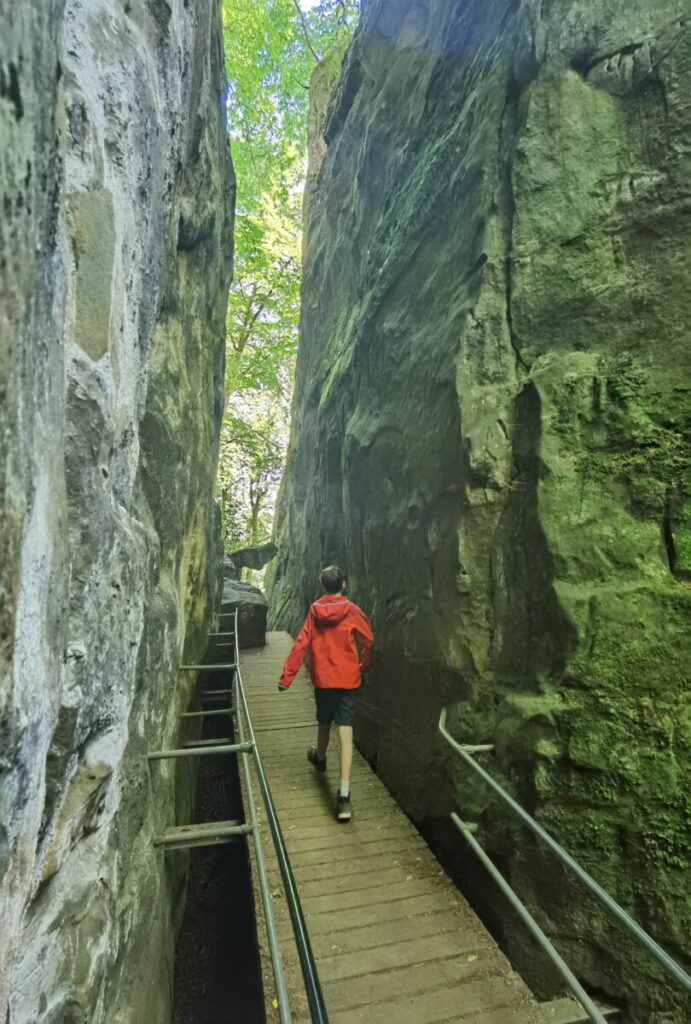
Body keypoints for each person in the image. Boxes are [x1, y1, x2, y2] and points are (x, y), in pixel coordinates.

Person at [277, 565, 374, 822]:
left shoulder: (315, 611)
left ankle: (320, 757)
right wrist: (362, 666)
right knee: (345, 728)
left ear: (322, 586)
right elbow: (370, 639)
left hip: (324, 679)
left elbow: (301, 642)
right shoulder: (352, 610)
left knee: (323, 719)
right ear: (343, 584)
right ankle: (343, 796)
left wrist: (287, 677)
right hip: (348, 678)